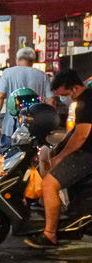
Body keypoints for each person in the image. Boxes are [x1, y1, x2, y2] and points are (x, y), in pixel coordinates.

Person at [27, 69, 92, 249]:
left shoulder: (86, 103)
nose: (62, 97)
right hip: (85, 151)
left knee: (49, 184)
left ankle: (49, 235)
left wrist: (61, 156)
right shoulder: (84, 100)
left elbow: (81, 136)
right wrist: (58, 149)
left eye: (62, 93)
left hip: (88, 155)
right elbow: (72, 133)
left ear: (74, 88)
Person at [0, 47, 53, 147]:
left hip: (11, 126)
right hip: (36, 126)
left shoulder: (7, 73)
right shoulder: (43, 76)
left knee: (6, 157)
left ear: (17, 59)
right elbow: (50, 100)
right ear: (33, 61)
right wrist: (48, 123)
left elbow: (0, 96)